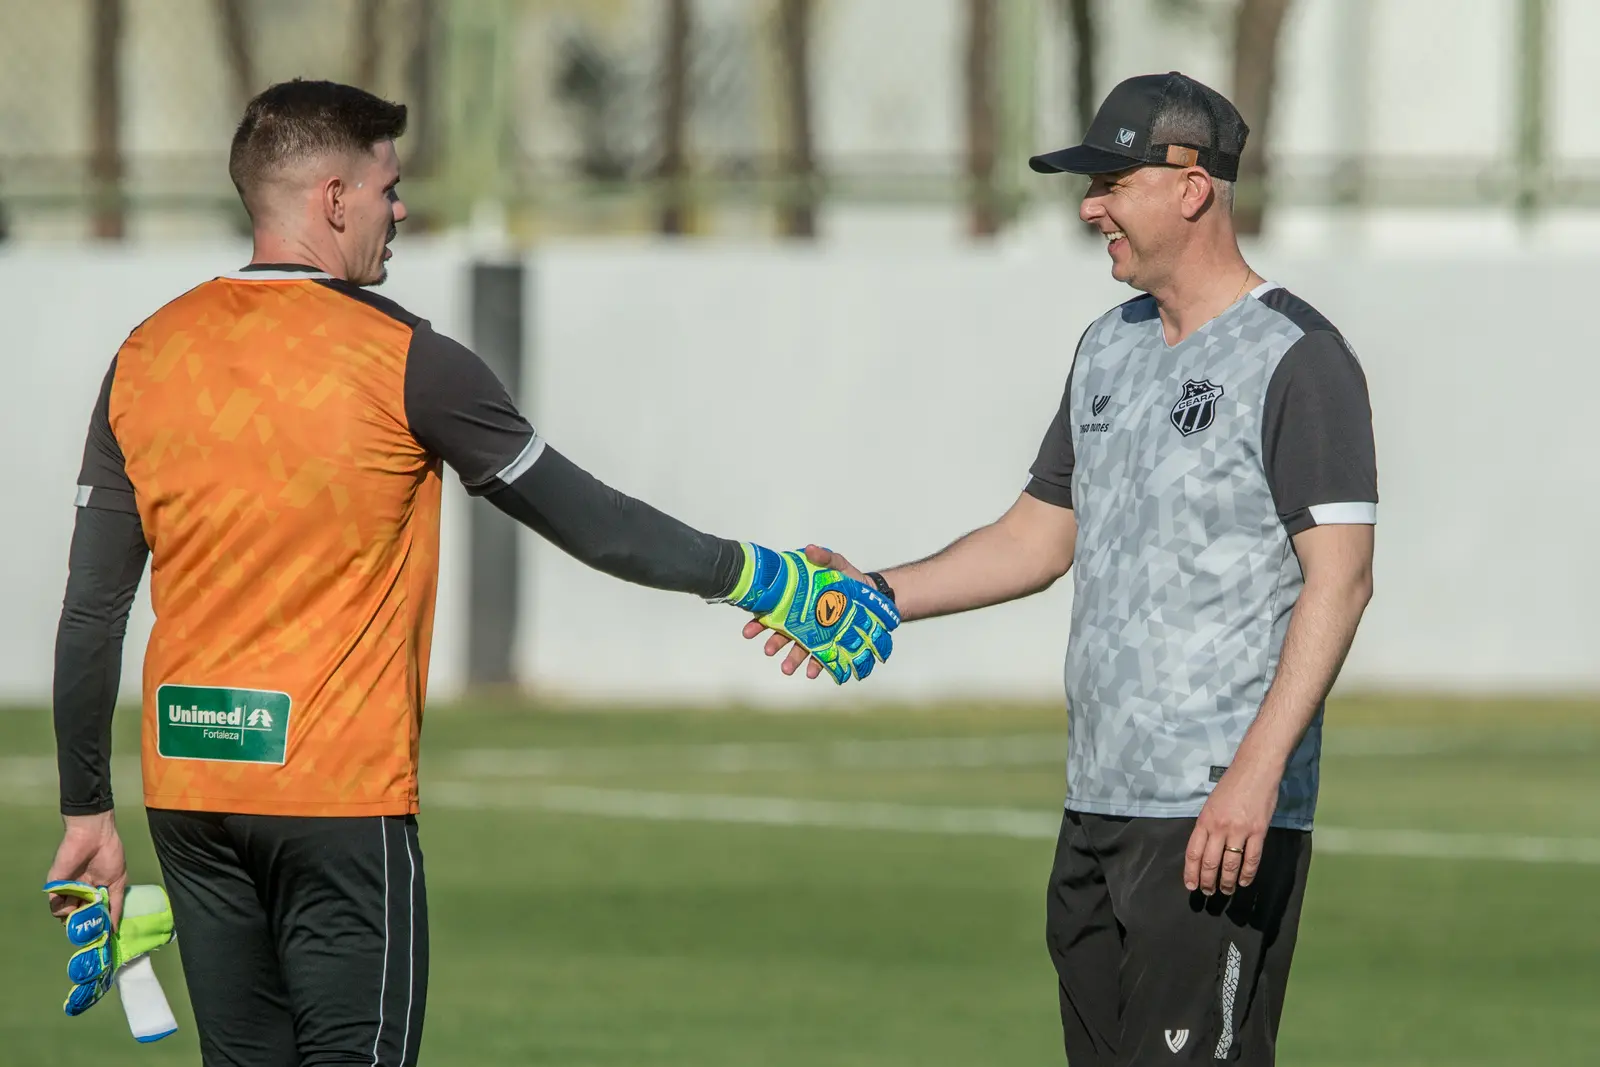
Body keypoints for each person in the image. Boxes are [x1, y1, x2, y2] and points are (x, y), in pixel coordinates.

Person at [44, 79, 897, 1066]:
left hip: (189, 795)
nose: (399, 210)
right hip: (335, 803)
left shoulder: (146, 355)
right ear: (332, 199)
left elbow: (90, 609)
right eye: (387, 188)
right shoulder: (407, 358)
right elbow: (592, 521)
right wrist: (767, 579)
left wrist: (87, 813)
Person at [750, 72, 1377, 1064]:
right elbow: (1037, 538)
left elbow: (1339, 580)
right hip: (1097, 807)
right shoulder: (1106, 347)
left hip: (1214, 815)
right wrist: (872, 592)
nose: (1090, 208)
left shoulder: (1299, 358)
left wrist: (1252, 778)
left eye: (1111, 182)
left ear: (1190, 185)